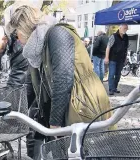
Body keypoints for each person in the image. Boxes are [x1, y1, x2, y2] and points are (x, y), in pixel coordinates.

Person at [7, 5, 112, 159]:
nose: (17, 38)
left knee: (86, 151)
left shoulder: (57, 33)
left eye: (17, 33)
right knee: (65, 152)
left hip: (83, 101)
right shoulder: (37, 47)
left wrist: (54, 123)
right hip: (70, 101)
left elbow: (63, 77)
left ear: (23, 27)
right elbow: (30, 85)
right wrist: (13, 110)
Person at [105, 24, 129, 95]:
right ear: (120, 28)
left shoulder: (126, 37)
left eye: (126, 29)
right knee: (112, 74)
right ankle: (111, 89)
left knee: (118, 75)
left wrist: (126, 58)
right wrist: (106, 57)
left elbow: (126, 48)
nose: (126, 30)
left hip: (121, 59)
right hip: (113, 58)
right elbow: (108, 47)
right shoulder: (113, 36)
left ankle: (114, 88)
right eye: (125, 28)